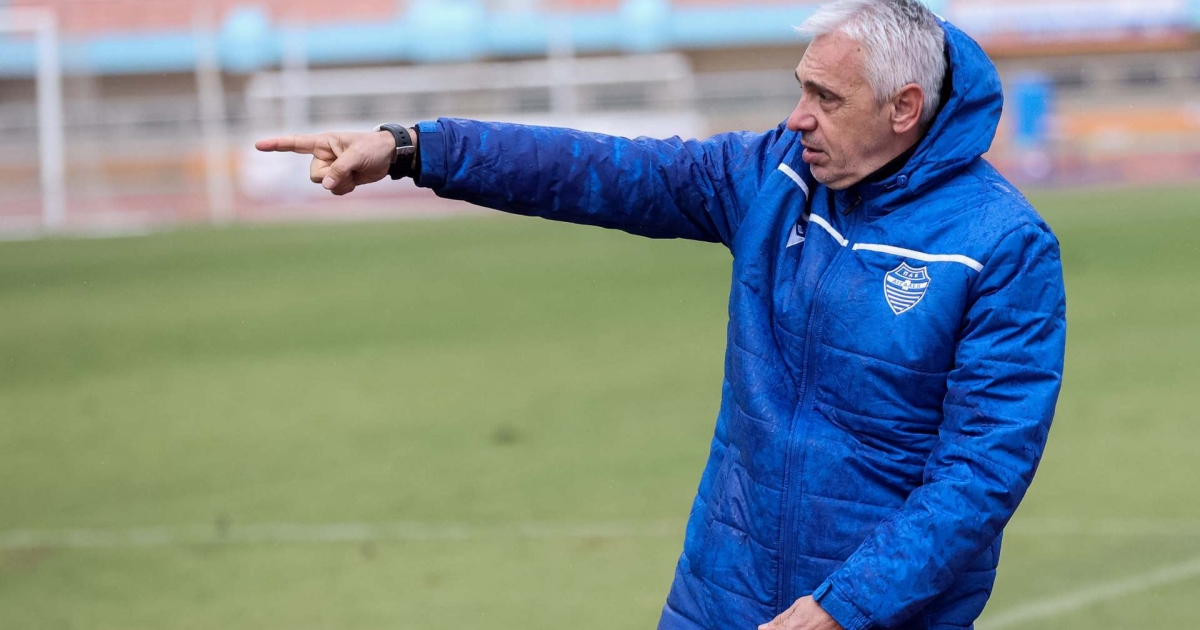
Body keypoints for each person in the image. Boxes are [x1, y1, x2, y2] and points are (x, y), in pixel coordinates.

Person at [256, 0, 1067, 628]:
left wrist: (843, 607)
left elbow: (981, 470)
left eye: (825, 97)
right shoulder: (774, 177)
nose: (798, 116)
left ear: (904, 108)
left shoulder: (1002, 245)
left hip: (880, 614)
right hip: (720, 594)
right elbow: (600, 170)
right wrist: (415, 149)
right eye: (801, 89)